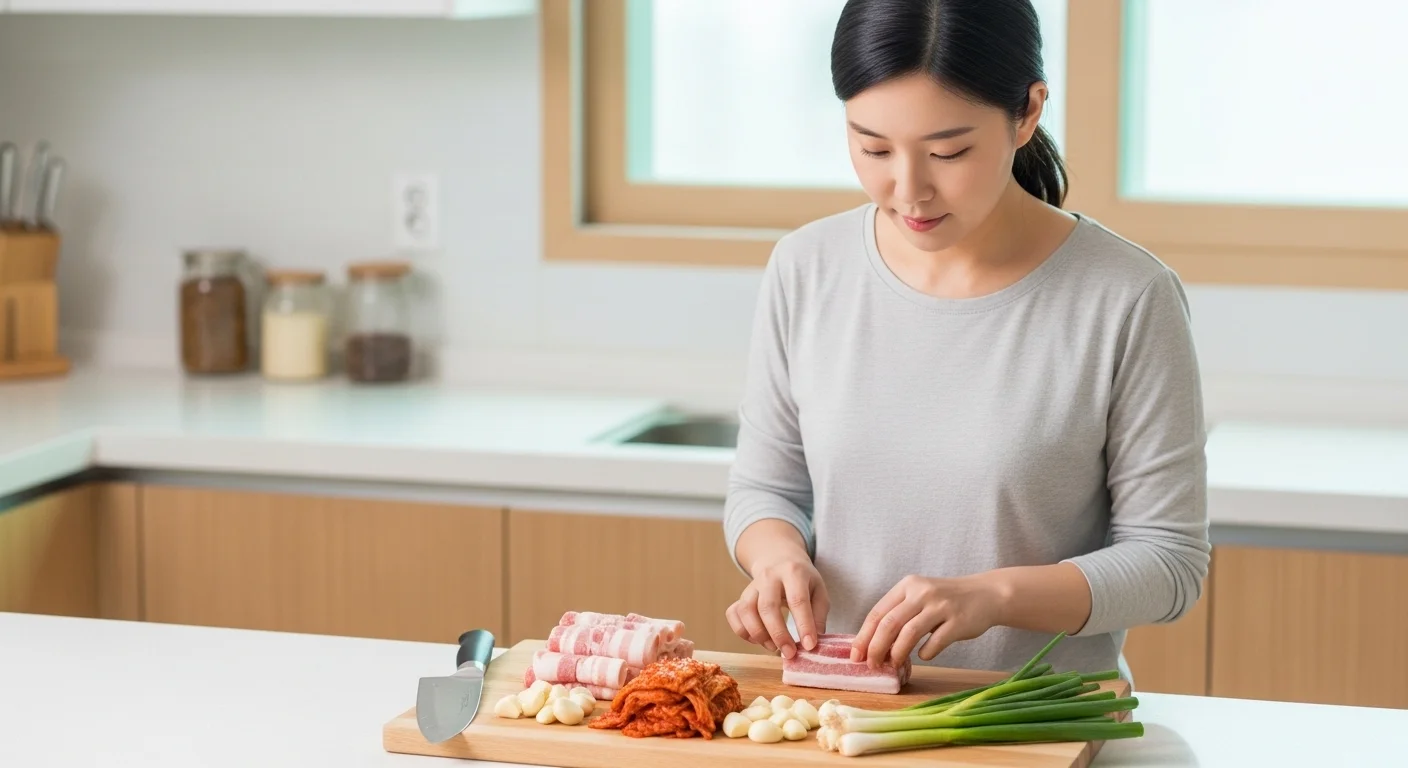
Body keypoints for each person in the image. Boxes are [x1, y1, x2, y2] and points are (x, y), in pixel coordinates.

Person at [721, 0, 1210, 680]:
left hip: (1036, 725)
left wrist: (993, 597)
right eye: (873, 148)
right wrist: (777, 560)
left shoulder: (1127, 296)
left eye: (948, 152)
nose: (909, 190)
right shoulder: (807, 266)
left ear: (1027, 112)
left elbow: (1168, 561)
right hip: (845, 721)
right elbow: (765, 488)